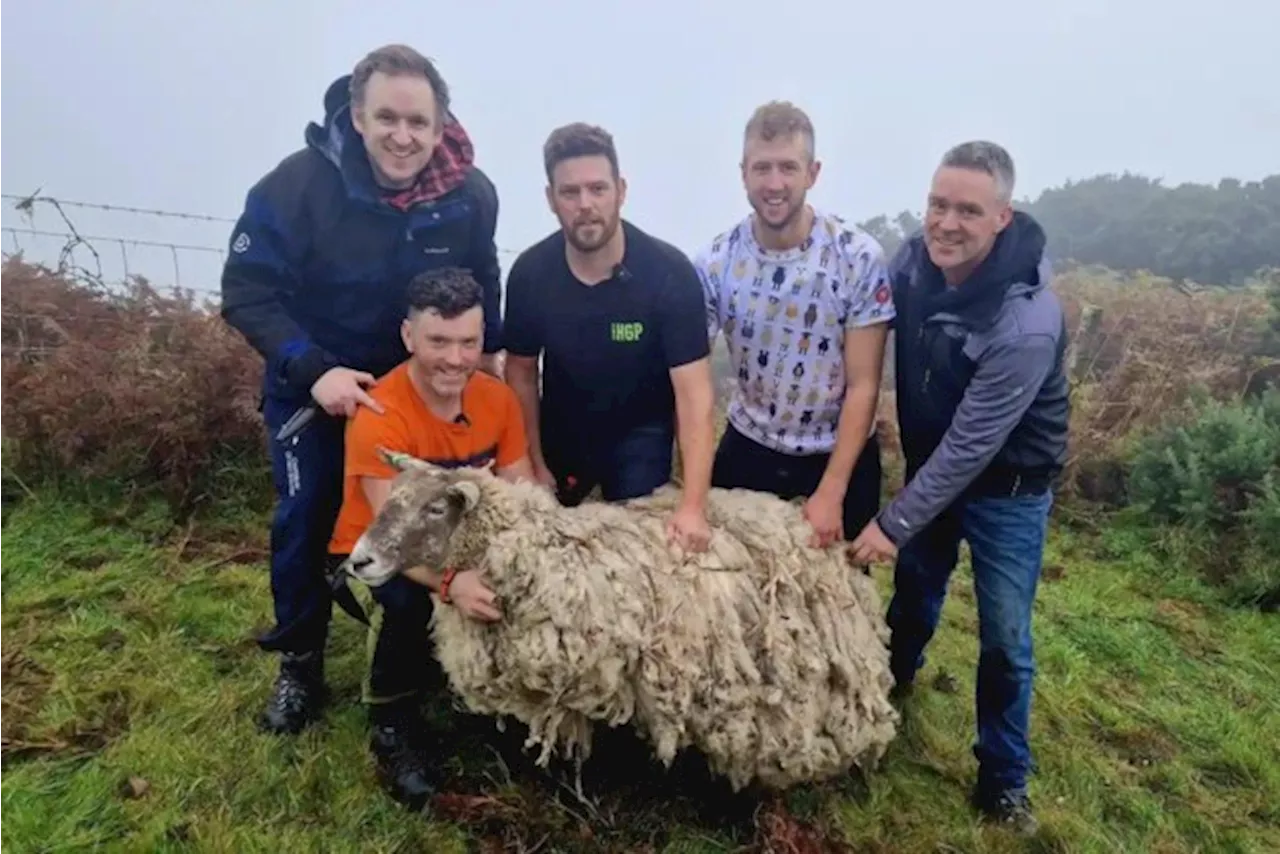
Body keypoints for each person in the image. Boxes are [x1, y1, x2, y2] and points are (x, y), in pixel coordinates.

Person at [219, 44, 505, 739]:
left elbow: (483, 281)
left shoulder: (470, 194)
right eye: (387, 119)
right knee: (308, 514)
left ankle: (430, 645)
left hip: (418, 387)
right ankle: (299, 662)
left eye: (418, 122)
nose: (403, 137)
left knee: (442, 514)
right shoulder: (295, 187)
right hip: (316, 378)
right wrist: (314, 370)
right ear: (357, 114)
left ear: (441, 125)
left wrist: (484, 364)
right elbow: (245, 290)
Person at [849, 140, 1069, 835]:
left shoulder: (1025, 320)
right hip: (930, 469)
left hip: (1008, 488)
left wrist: (891, 521)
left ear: (1001, 217)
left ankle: (1003, 781)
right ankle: (888, 690)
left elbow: (973, 445)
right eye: (938, 204)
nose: (946, 222)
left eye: (968, 211)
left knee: (1006, 637)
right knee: (915, 593)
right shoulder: (910, 266)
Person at [326, 266, 532, 809]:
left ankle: (498, 703)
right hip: (377, 550)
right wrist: (450, 583)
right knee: (405, 602)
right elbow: (395, 536)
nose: (455, 358)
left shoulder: (498, 400)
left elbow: (522, 492)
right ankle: (392, 721)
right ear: (408, 336)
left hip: (465, 542)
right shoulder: (380, 415)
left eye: (469, 342)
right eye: (438, 341)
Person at [502, 122, 716, 553]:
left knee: (638, 558)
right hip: (562, 434)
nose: (585, 205)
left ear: (621, 190)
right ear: (550, 199)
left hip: (640, 436)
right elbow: (521, 374)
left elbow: (695, 397)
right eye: (570, 192)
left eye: (598, 189)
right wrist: (534, 464)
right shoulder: (530, 274)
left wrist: (693, 505)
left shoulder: (669, 274)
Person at [694, 101, 893, 549]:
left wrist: (831, 491)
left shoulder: (857, 257)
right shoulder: (714, 264)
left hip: (836, 451)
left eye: (788, 167)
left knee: (839, 601)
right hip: (751, 447)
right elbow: (693, 380)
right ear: (743, 172)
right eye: (762, 168)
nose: (774, 184)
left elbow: (864, 385)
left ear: (813, 172)